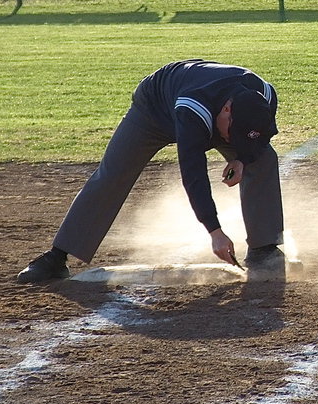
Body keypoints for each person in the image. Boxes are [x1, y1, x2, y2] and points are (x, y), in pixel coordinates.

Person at [17, 60, 285, 283]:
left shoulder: (264, 97)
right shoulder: (194, 109)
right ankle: (57, 256)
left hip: (205, 109)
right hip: (155, 109)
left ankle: (264, 249)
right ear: (226, 110)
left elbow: (257, 140)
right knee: (114, 172)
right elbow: (193, 174)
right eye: (233, 133)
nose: (231, 139)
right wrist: (215, 231)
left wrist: (242, 157)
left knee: (263, 160)